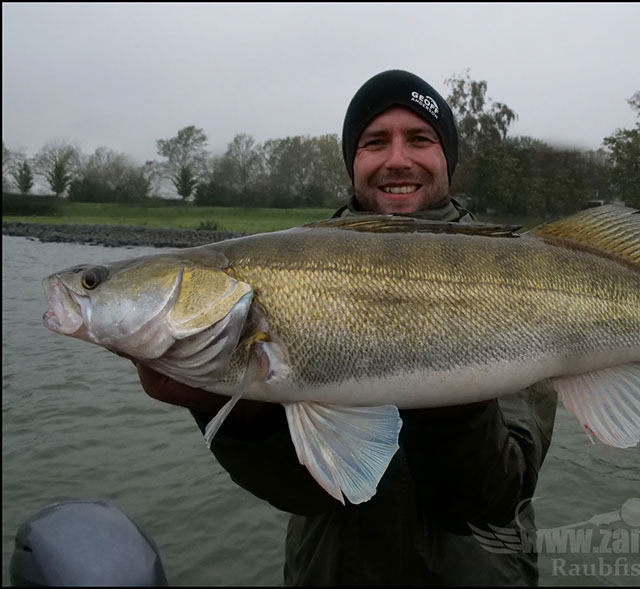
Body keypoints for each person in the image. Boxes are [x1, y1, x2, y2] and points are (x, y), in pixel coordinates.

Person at [137, 69, 558, 586]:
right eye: (375, 142)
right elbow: (301, 492)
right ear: (353, 162)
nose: (398, 159)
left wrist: (453, 372)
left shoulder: (525, 276)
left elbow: (492, 500)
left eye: (421, 139)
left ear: (446, 157)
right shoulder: (282, 271)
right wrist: (241, 414)